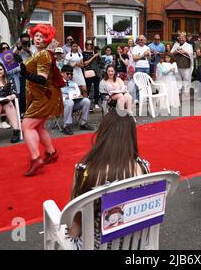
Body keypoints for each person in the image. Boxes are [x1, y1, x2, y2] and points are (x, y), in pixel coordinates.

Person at [67, 111, 150, 249]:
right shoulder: (143, 168)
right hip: (133, 245)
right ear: (131, 136)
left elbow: (76, 221)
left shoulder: (85, 170)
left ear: (103, 133)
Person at [21, 24, 65, 177]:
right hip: (42, 95)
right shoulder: (38, 53)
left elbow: (41, 79)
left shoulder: (44, 55)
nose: (38, 39)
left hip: (45, 95)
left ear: (48, 39)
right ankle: (51, 152)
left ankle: (36, 159)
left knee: (27, 126)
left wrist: (25, 73)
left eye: (42, 37)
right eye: (37, 36)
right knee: (38, 127)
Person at [60, 65, 94, 135]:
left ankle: (83, 123)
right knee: (69, 102)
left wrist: (78, 96)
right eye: (68, 73)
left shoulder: (74, 83)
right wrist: (65, 98)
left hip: (73, 102)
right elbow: (56, 96)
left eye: (71, 74)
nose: (70, 76)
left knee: (86, 101)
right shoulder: (58, 83)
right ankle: (66, 126)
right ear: (62, 73)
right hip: (62, 104)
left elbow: (78, 94)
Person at [171, 32, 194, 98]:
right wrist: (175, 52)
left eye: (183, 38)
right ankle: (178, 90)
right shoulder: (176, 45)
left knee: (186, 78)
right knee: (178, 78)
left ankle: (186, 91)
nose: (181, 39)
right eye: (180, 38)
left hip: (186, 64)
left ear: (185, 38)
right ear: (178, 38)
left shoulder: (189, 45)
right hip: (177, 64)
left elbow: (191, 54)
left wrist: (184, 52)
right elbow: (171, 53)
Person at [82, 39, 102, 110]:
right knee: (88, 88)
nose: (89, 46)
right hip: (88, 72)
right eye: (88, 44)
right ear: (86, 45)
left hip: (96, 72)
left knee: (97, 88)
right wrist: (93, 56)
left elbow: (100, 62)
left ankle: (96, 103)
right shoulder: (83, 53)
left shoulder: (95, 52)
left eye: (91, 44)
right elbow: (85, 63)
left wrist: (99, 55)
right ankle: (87, 103)